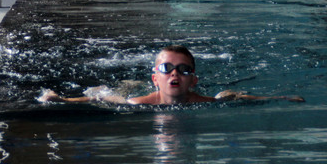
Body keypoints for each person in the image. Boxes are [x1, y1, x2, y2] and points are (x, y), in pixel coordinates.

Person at [40, 45, 304, 105]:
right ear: (156, 78)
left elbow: (248, 99)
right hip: (129, 95)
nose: (174, 73)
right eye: (166, 68)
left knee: (226, 95)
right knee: (113, 93)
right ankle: (131, 83)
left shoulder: (205, 103)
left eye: (184, 69)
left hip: (214, 96)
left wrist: (282, 97)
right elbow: (104, 100)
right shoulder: (140, 103)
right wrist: (63, 100)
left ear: (193, 80)